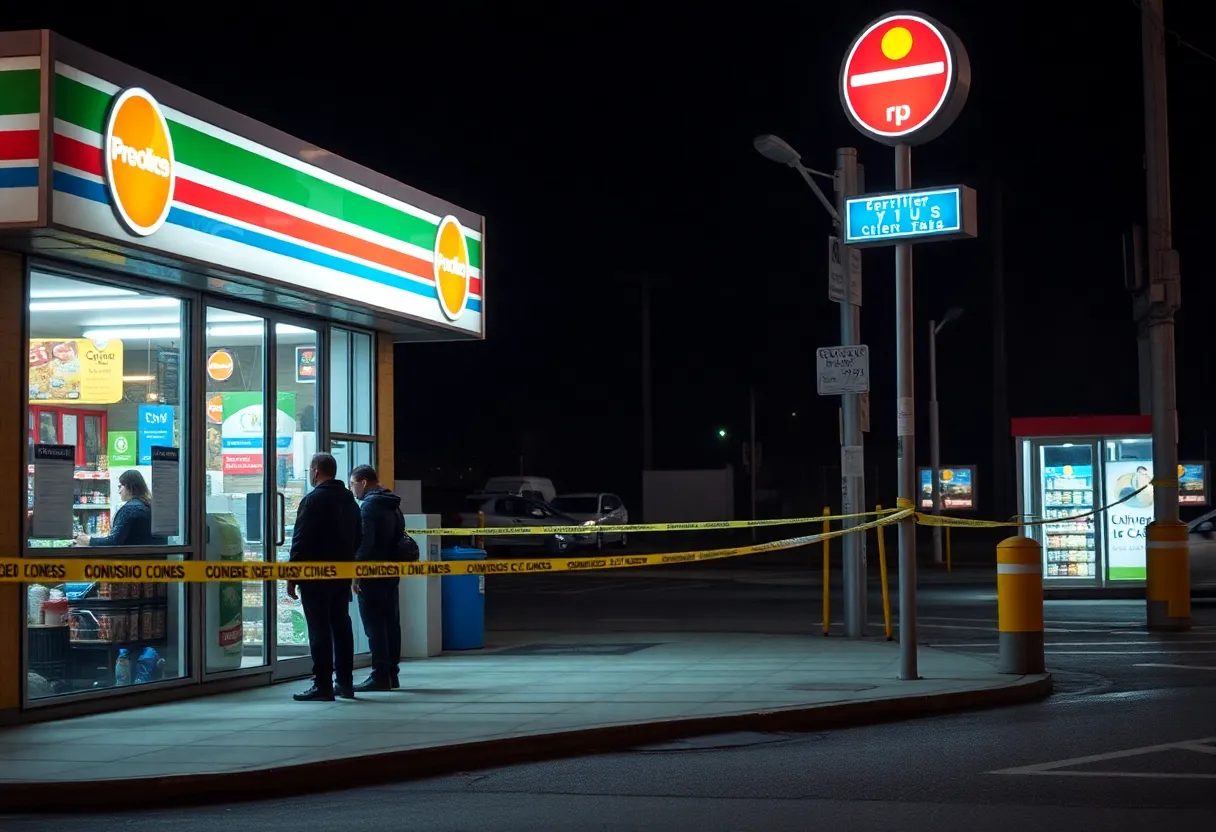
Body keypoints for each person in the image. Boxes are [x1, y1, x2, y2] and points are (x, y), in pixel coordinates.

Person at [286, 453, 362, 702]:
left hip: (315, 577)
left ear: (316, 471)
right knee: (341, 627)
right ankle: (345, 682)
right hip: (341, 575)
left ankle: (322, 685)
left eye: (310, 469)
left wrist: (293, 574)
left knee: (319, 630)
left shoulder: (312, 500)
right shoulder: (349, 501)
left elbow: (301, 539)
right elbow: (358, 537)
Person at [350, 464, 403, 692]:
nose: (352, 490)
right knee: (391, 622)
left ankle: (379, 674)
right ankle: (392, 673)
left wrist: (356, 572)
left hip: (372, 574)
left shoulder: (369, 506)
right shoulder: (393, 504)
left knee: (374, 624)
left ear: (363, 482)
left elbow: (366, 542)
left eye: (352, 484)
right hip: (391, 571)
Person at [75, 470, 167, 547]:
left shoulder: (129, 509)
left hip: (133, 563)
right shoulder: (150, 506)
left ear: (130, 487)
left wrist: (89, 541)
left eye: (120, 486)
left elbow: (113, 542)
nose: (119, 491)